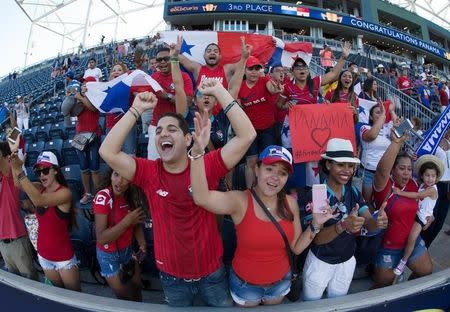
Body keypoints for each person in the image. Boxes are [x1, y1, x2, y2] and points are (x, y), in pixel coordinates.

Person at [99, 78, 256, 307]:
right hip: (171, 278)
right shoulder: (148, 171)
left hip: (212, 274)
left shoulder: (206, 163)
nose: (163, 134)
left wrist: (220, 91)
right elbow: (108, 151)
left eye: (172, 129)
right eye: (159, 131)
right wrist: (136, 109)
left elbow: (247, 135)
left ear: (187, 138)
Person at [190, 109, 335, 306]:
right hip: (245, 286)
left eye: (282, 173)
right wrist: (198, 153)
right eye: (269, 169)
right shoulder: (240, 201)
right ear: (256, 169)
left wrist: (315, 225)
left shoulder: (290, 203)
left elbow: (296, 248)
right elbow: (201, 197)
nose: (275, 177)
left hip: (280, 284)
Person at [302, 138, 388, 301]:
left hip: (347, 261)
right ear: (328, 165)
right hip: (321, 263)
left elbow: (368, 223)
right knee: (311, 307)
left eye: (350, 165)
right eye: (341, 164)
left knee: (338, 305)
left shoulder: (354, 191)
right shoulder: (318, 193)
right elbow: (317, 239)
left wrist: (377, 222)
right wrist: (342, 225)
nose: (347, 170)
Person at [278, 41, 352, 191]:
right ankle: (295, 198)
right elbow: (279, 104)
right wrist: (286, 105)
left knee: (312, 170)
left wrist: (343, 57)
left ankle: (311, 200)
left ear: (308, 69)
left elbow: (333, 74)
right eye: (297, 67)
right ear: (292, 72)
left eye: (304, 66)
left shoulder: (315, 83)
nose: (301, 69)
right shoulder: (287, 87)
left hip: (310, 133)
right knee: (295, 166)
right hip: (292, 132)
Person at [10, 149, 80, 291]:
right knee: (57, 296)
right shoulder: (39, 188)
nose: (41, 175)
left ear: (55, 170)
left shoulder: (65, 193)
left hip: (63, 258)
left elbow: (39, 200)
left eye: (45, 170)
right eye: (38, 172)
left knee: (74, 297)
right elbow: (18, 184)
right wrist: (14, 165)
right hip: (44, 255)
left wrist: (20, 171)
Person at [372, 134, 433, 288]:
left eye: (409, 169)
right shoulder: (384, 187)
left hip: (412, 243)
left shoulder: (414, 184)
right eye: (401, 168)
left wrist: (428, 217)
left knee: (425, 272)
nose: (406, 173)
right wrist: (396, 142)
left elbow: (422, 207)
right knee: (381, 288)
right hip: (389, 247)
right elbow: (381, 171)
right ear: (392, 169)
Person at [229, 55, 284, 188]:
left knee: (267, 161)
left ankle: (265, 188)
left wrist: (276, 89)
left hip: (268, 128)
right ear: (245, 70)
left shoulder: (264, 80)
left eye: (257, 69)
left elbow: (271, 88)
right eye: (250, 69)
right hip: (249, 130)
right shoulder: (240, 86)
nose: (254, 72)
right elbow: (233, 100)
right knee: (251, 162)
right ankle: (250, 192)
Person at [93, 170, 146, 301]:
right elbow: (101, 238)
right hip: (107, 255)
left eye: (125, 177)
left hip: (127, 249)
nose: (119, 181)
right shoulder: (103, 197)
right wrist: (127, 221)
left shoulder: (132, 196)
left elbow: (136, 222)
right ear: (110, 175)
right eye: (116, 175)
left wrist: (142, 244)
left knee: (136, 289)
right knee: (124, 297)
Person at [392, 155, 444, 276]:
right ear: (422, 176)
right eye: (427, 175)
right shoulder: (421, 184)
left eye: (433, 176)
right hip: (415, 212)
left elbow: (417, 196)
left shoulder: (432, 189)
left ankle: (403, 261)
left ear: (436, 178)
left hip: (421, 218)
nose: (430, 179)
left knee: (412, 237)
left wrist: (400, 192)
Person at [0, 141, 38, 281]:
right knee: (16, 284)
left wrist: (12, 153)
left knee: (30, 284)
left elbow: (6, 167)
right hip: (2, 242)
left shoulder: (9, 173)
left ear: (6, 158)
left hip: (17, 240)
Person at [359, 101, 397, 206]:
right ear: (370, 117)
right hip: (368, 173)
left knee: (382, 203)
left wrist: (391, 111)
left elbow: (399, 128)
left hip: (384, 174)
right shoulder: (365, 128)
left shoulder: (387, 130)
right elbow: (371, 136)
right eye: (377, 113)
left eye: (382, 113)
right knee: (367, 203)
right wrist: (383, 115)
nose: (381, 115)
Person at [75, 76, 101, 204]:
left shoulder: (96, 95)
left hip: (93, 134)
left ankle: (98, 194)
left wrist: (81, 97)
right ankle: (88, 193)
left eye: (86, 83)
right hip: (80, 134)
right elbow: (70, 112)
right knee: (83, 167)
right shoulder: (79, 96)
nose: (83, 85)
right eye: (83, 83)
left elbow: (93, 108)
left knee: (94, 168)